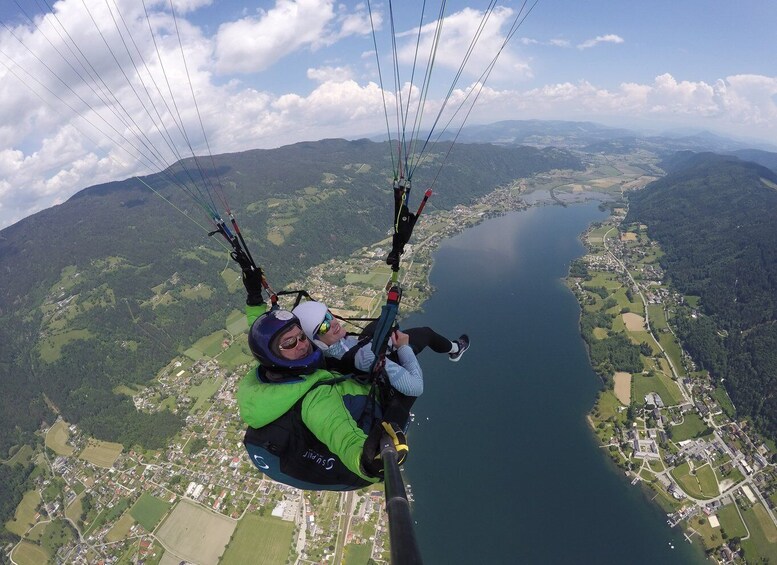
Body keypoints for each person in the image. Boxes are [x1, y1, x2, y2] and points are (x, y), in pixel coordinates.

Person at [235, 265, 410, 491]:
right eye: (290, 343)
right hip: (355, 462)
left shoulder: (266, 374)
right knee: (405, 393)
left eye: (301, 336)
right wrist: (367, 461)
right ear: (272, 355)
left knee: (378, 332)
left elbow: (259, 332)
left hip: (330, 411)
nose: (302, 344)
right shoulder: (315, 397)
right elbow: (339, 433)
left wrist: (253, 297)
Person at [292, 301, 470, 385]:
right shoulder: (362, 357)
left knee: (381, 323)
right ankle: (455, 349)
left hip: (359, 353)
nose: (333, 323)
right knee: (427, 333)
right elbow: (415, 386)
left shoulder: (323, 353)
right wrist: (404, 348)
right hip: (379, 362)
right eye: (323, 327)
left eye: (329, 315)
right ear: (316, 340)